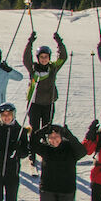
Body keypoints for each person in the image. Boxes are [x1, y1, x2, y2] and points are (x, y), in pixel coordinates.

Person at [22, 31, 68, 169]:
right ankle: (33, 153)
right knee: (35, 130)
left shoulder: (53, 68)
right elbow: (26, 59)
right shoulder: (33, 69)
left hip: (48, 103)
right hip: (34, 104)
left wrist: (59, 42)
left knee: (47, 128)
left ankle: (47, 152)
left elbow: (63, 57)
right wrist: (29, 43)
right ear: (38, 58)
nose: (44, 59)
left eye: (46, 57)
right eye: (41, 57)